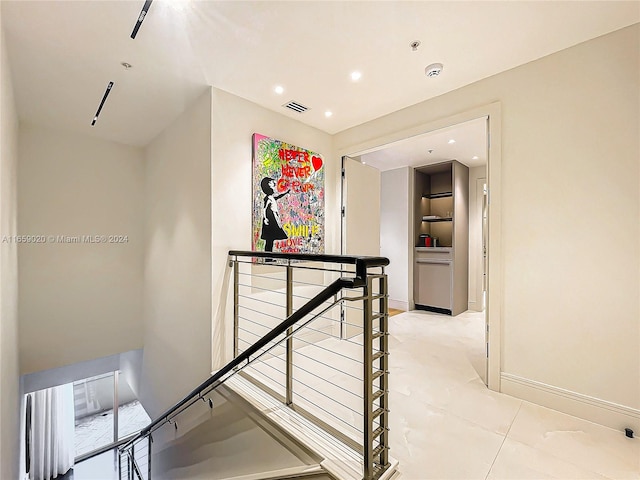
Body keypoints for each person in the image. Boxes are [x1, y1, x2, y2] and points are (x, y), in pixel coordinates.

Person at [260, 177, 289, 252]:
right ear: (268, 185)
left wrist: (286, 192)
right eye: (271, 182)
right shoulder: (268, 198)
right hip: (270, 219)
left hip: (272, 217)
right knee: (269, 239)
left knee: (270, 240)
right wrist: (265, 218)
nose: (273, 183)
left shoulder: (271, 197)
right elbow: (265, 208)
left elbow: (278, 197)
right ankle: (268, 258)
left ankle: (268, 258)